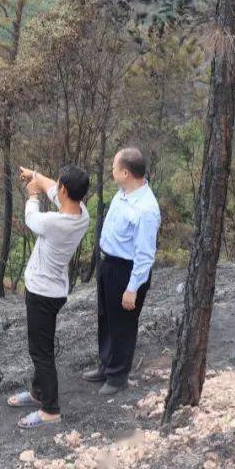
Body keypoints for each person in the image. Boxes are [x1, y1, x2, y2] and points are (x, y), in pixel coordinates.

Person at [7, 164, 91, 428]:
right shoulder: (81, 213)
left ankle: (50, 410)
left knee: (41, 353)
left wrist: (32, 194)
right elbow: (53, 188)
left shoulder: (54, 223)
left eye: (59, 185)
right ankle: (38, 392)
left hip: (42, 293)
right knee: (41, 347)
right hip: (53, 290)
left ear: (65, 189)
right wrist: (35, 176)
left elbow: (32, 218)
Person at [82, 147, 160, 395]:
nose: (111, 171)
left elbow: (145, 255)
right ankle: (106, 365)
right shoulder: (123, 193)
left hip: (127, 270)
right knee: (106, 318)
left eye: (114, 168)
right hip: (109, 265)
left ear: (125, 172)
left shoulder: (146, 209)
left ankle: (118, 376)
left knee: (123, 323)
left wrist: (132, 288)